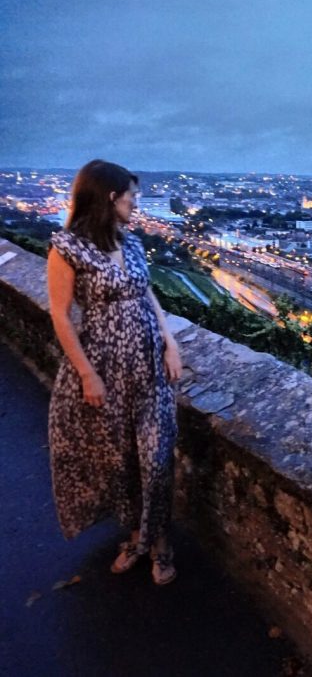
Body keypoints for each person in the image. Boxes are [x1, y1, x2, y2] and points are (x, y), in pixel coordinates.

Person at [46, 159, 182, 585]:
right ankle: (137, 536)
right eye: (131, 196)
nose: (135, 203)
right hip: (105, 365)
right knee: (121, 461)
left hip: (148, 366)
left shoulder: (133, 245)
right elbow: (61, 315)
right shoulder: (67, 248)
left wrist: (170, 340)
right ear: (110, 197)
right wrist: (87, 374)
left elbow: (148, 295)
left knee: (156, 459)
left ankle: (159, 540)